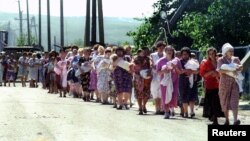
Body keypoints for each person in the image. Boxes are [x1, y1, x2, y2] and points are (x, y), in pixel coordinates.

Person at [217, 43, 242, 125]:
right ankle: (227, 120)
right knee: (225, 101)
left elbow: (241, 67)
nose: (231, 52)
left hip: (234, 82)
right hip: (224, 83)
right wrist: (231, 70)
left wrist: (239, 68)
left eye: (232, 50)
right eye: (229, 51)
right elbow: (220, 70)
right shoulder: (221, 60)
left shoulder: (236, 59)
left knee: (234, 100)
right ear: (225, 52)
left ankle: (235, 120)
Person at [200, 47, 224, 125]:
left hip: (219, 84)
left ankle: (216, 118)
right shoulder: (206, 63)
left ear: (215, 53)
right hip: (210, 85)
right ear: (208, 55)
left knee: (217, 102)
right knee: (211, 102)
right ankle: (214, 119)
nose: (211, 55)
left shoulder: (219, 62)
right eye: (210, 54)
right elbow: (203, 74)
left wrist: (217, 74)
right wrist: (211, 72)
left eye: (213, 53)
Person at [157, 46, 182, 119]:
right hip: (164, 82)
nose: (169, 51)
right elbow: (158, 72)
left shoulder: (177, 60)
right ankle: (166, 112)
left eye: (171, 50)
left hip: (174, 81)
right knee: (165, 96)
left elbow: (180, 72)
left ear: (173, 51)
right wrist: (163, 71)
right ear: (165, 51)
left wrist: (175, 67)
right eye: (168, 50)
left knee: (173, 95)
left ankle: (171, 109)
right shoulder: (161, 60)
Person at [179, 47, 200, 118]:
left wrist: (191, 71)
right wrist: (186, 70)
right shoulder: (179, 62)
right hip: (182, 81)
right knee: (184, 97)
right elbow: (179, 71)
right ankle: (185, 112)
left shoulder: (194, 61)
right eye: (183, 54)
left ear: (189, 54)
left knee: (192, 96)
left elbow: (197, 71)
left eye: (186, 54)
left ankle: (192, 111)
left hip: (192, 81)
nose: (185, 56)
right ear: (181, 55)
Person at [133, 48, 152, 115]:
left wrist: (149, 71)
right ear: (138, 53)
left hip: (146, 78)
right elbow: (134, 67)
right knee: (139, 93)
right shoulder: (135, 59)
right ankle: (140, 107)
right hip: (138, 78)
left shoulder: (148, 59)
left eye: (144, 52)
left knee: (146, 93)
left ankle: (144, 105)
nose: (143, 53)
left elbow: (150, 66)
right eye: (141, 52)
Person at [150, 41, 165, 114]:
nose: (161, 48)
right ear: (157, 47)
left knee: (162, 92)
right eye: (160, 47)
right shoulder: (153, 55)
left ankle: (162, 109)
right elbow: (152, 64)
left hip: (164, 75)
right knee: (155, 92)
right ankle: (157, 109)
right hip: (155, 75)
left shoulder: (166, 55)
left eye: (163, 47)